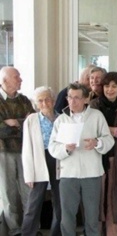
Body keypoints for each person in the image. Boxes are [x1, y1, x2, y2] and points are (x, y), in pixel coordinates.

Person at [48, 83, 115, 236]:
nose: (72, 101)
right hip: (68, 173)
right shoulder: (61, 120)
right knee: (67, 217)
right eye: (70, 97)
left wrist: (97, 142)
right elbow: (52, 147)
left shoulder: (96, 116)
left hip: (91, 173)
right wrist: (65, 149)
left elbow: (109, 140)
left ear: (86, 99)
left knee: (92, 216)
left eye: (77, 98)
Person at [88, 71, 117, 235]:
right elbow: (90, 131)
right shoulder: (94, 105)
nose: (110, 90)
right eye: (107, 86)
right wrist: (115, 129)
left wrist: (103, 130)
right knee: (97, 199)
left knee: (115, 200)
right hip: (96, 158)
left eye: (114, 86)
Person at [21, 87, 61, 236]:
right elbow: (27, 149)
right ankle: (27, 233)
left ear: (54, 101)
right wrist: (29, 175)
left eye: (48, 99)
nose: (44, 103)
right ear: (36, 103)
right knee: (34, 204)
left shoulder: (61, 118)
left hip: (59, 162)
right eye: (40, 100)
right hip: (39, 162)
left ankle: (56, 233)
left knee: (60, 203)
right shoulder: (31, 120)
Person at [0, 66, 35, 236]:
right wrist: (22, 124)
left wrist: (15, 122)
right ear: (4, 80)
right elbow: (1, 131)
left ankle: (30, 229)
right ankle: (15, 231)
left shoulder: (25, 100)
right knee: (8, 193)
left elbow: (33, 124)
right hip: (3, 152)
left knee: (28, 190)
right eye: (16, 77)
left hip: (25, 151)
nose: (20, 79)